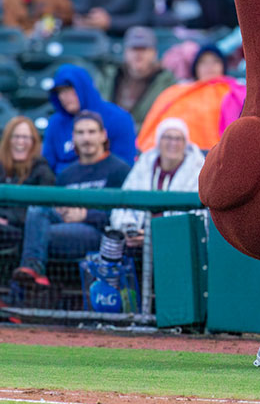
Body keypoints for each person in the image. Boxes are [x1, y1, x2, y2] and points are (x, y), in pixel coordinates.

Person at [11, 111, 131, 288]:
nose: (86, 138)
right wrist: (62, 211)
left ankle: (20, 292)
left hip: (99, 233)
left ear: (103, 135)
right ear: (73, 137)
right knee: (37, 209)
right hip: (65, 227)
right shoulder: (66, 174)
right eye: (80, 133)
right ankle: (33, 273)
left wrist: (85, 216)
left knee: (35, 235)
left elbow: (125, 214)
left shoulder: (119, 169)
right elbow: (55, 208)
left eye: (91, 132)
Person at [108, 118, 205, 249]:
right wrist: (129, 229)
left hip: (178, 242)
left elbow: (199, 216)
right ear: (159, 141)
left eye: (178, 139)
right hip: (137, 239)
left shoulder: (197, 171)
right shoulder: (143, 166)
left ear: (185, 143)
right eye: (167, 137)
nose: (173, 143)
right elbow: (124, 203)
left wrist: (156, 235)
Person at [135, 44, 245, 152]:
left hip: (215, 155)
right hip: (171, 152)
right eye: (203, 62)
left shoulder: (236, 91)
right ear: (195, 68)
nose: (209, 66)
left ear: (223, 66)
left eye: (215, 61)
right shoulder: (176, 91)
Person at [43, 64, 137, 174]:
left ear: (83, 88)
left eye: (69, 89)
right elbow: (48, 165)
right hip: (65, 187)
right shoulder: (55, 123)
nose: (65, 96)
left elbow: (124, 167)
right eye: (60, 91)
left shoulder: (119, 119)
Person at [96, 26, 177, 128]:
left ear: (155, 53)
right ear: (125, 52)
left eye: (144, 49)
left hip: (147, 138)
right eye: (134, 49)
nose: (138, 54)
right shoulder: (108, 76)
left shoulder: (167, 82)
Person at [0, 117, 56, 254]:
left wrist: (7, 219)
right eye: (16, 137)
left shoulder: (41, 169)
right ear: (8, 140)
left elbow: (42, 210)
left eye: (25, 137)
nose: (20, 142)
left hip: (21, 231)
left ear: (33, 142)